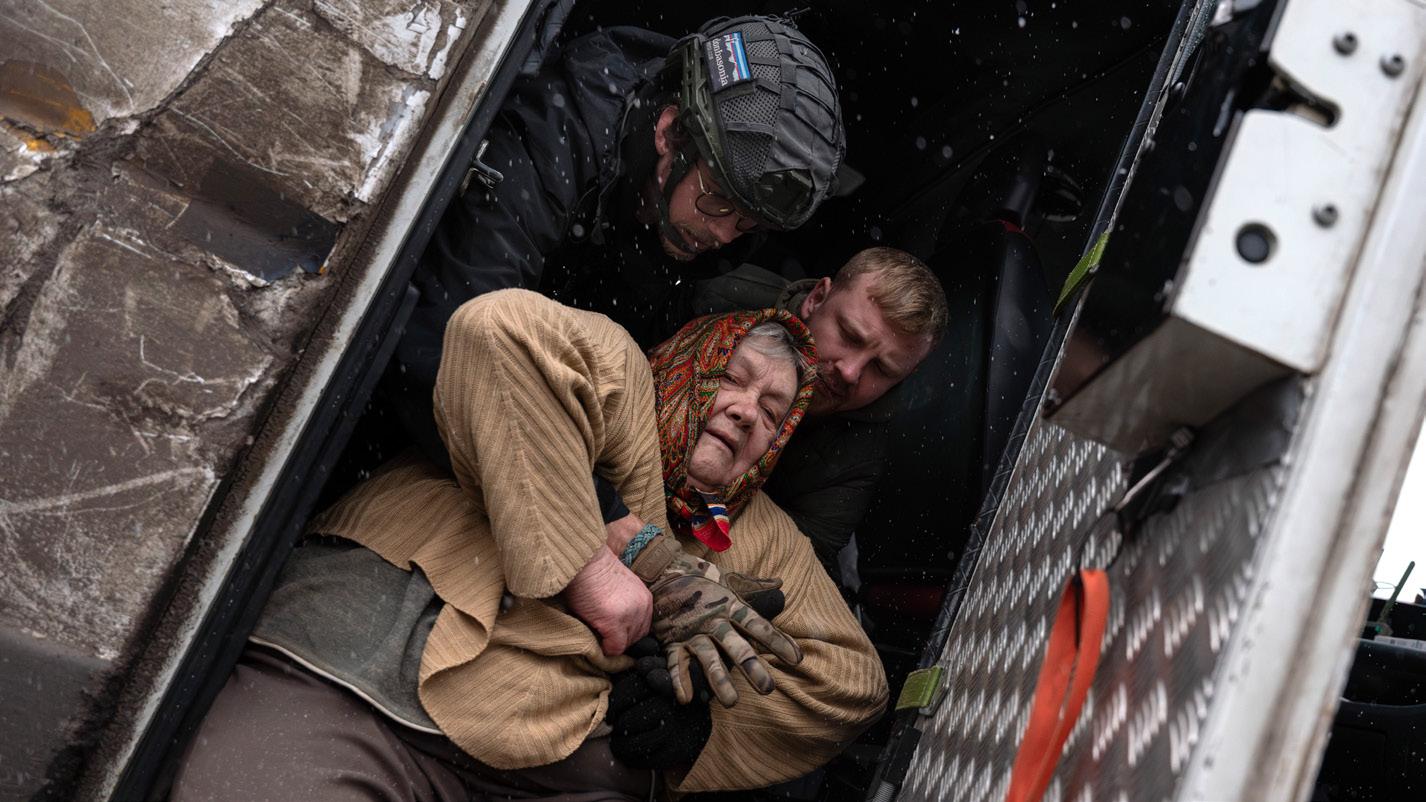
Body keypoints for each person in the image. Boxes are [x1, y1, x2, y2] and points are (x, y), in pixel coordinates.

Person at [172, 290, 887, 800]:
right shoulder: (621, 380)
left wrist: (695, 716)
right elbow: (499, 330)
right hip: (369, 683)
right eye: (731, 379)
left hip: (557, 770)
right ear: (684, 363)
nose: (746, 412)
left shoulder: (750, 528)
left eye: (772, 415)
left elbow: (851, 686)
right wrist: (609, 560)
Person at [387, 15, 846, 467]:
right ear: (669, 132)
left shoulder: (692, 230)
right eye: (718, 200)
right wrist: (594, 499)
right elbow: (450, 351)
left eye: (747, 223)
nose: (724, 235)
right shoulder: (555, 142)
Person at [686, 247, 950, 580]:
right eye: (849, 336)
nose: (850, 372)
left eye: (882, 369)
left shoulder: (860, 452)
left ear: (905, 377)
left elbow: (799, 566)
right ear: (816, 298)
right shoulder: (719, 299)